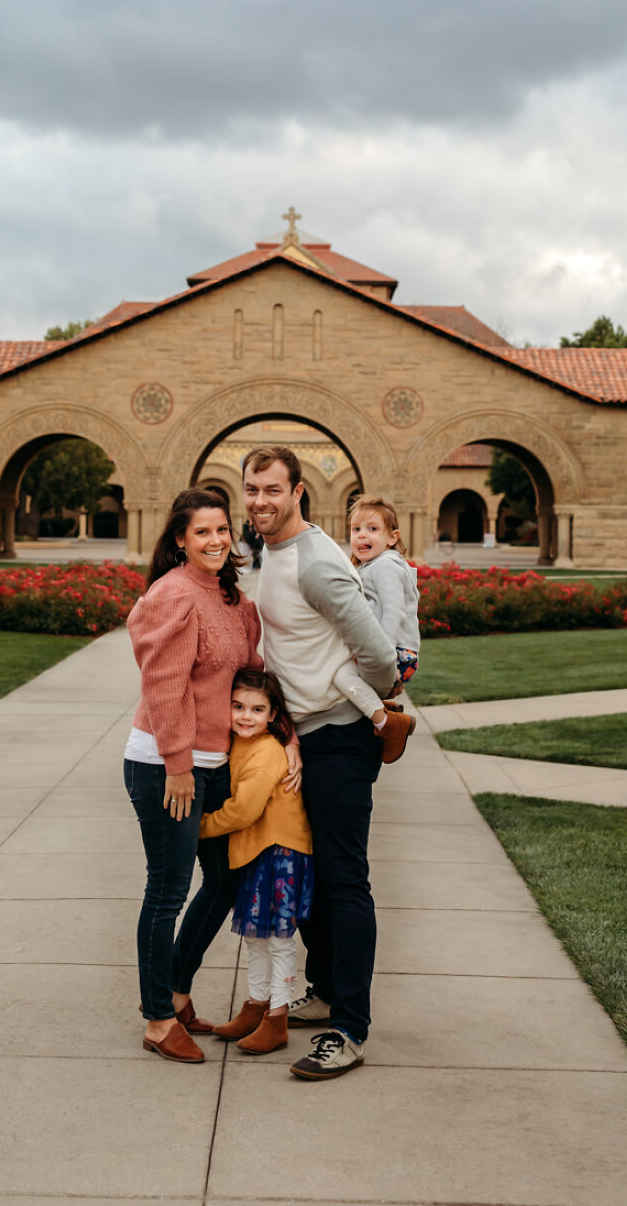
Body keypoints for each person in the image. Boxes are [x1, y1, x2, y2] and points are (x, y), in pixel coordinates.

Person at [123, 487, 301, 1065]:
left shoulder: (235, 603)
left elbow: (255, 681)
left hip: (213, 763)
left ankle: (176, 992)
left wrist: (287, 736)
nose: (216, 540)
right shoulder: (171, 596)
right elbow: (164, 688)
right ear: (180, 539)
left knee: (223, 883)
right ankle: (156, 1019)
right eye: (202, 532)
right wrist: (177, 766)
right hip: (164, 765)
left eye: (222, 529)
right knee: (168, 889)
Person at [243, 444, 395, 1080]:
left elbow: (382, 659)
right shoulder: (270, 552)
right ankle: (326, 992)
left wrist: (340, 695)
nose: (259, 502)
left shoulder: (315, 564)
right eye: (251, 490)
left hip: (338, 737)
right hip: (302, 736)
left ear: (298, 491)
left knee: (343, 880)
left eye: (272, 490)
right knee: (318, 882)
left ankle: (350, 1029)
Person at [200, 669, 313, 1055]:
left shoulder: (266, 750)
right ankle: (255, 1005)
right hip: (256, 850)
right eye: (238, 706)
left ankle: (277, 1018)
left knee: (279, 939)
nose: (245, 716)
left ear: (272, 714)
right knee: (255, 936)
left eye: (257, 709)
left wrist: (201, 828)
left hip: (280, 851)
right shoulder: (237, 744)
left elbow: (244, 809)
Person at [331, 495, 421, 762]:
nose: (361, 536)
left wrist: (383, 655)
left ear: (392, 537)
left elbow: (394, 611)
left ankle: (389, 724)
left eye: (372, 529)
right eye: (356, 529)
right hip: (388, 651)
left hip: (396, 653)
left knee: (340, 676)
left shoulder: (386, 566)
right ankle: (384, 707)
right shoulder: (371, 565)